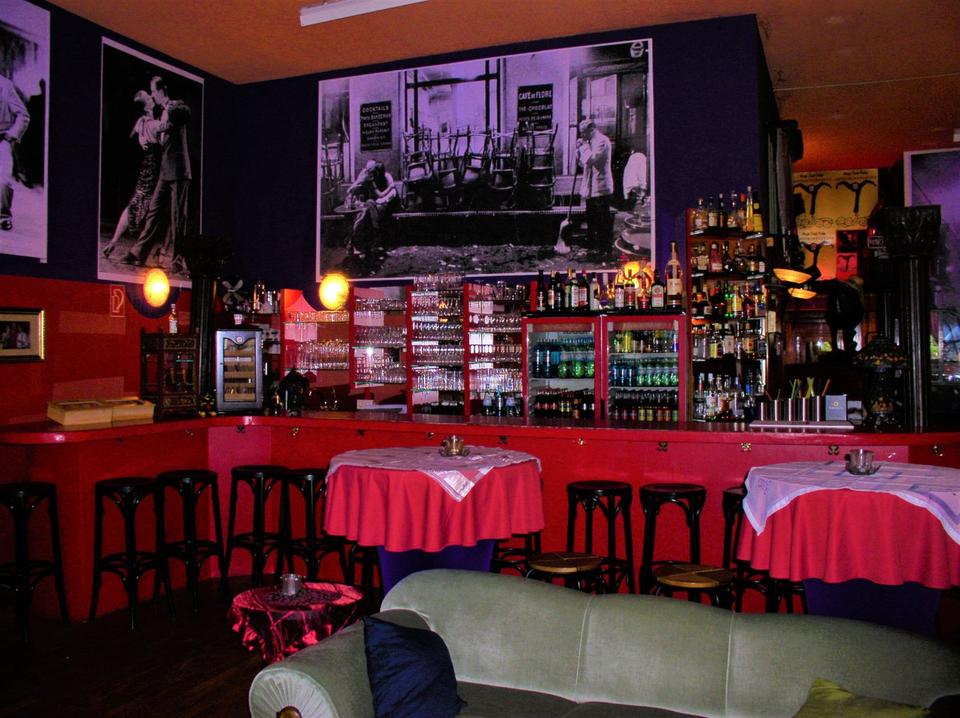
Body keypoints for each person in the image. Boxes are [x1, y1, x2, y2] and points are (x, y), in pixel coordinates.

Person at [124, 75, 192, 269]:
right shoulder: (157, 113)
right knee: (153, 210)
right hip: (165, 169)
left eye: (153, 91)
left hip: (178, 170)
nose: (152, 94)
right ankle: (138, 252)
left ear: (161, 91)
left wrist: (168, 114)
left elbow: (184, 113)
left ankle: (177, 259)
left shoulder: (175, 106)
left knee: (178, 217)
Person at [102, 90, 161, 258]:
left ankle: (115, 241)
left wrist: (141, 139)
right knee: (141, 203)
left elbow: (132, 137)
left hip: (148, 164)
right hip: (152, 166)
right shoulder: (149, 122)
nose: (152, 96)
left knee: (139, 203)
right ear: (147, 105)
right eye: (148, 97)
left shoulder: (142, 122)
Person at [345, 160, 399, 262]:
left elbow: (390, 193)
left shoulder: (386, 177)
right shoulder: (368, 178)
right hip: (370, 202)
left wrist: (384, 197)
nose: (373, 174)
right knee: (365, 215)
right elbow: (378, 194)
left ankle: (368, 242)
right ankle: (359, 244)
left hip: (385, 202)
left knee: (373, 212)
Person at [576, 119, 614, 254]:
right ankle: (592, 244)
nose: (582, 135)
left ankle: (605, 248)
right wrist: (578, 150)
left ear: (592, 129)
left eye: (583, 132)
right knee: (591, 218)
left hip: (601, 187)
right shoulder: (589, 142)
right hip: (590, 188)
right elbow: (583, 163)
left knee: (602, 219)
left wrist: (583, 146)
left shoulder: (602, 141)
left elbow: (591, 159)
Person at [0, 73, 30, 232]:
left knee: (3, 179)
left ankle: (3, 216)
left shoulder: (5, 85)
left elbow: (23, 116)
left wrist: (11, 135)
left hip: (1, 139)